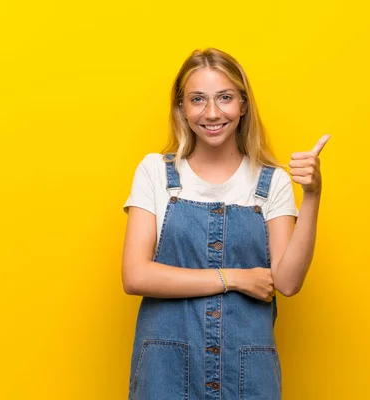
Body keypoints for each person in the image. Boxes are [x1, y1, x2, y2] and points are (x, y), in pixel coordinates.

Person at [122, 48, 329, 400]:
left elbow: (287, 282)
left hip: (248, 375)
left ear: (243, 105)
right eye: (198, 99)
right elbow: (136, 276)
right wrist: (234, 278)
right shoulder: (156, 172)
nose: (212, 113)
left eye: (225, 98)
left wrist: (312, 195)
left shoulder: (272, 181)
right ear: (182, 108)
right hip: (165, 372)